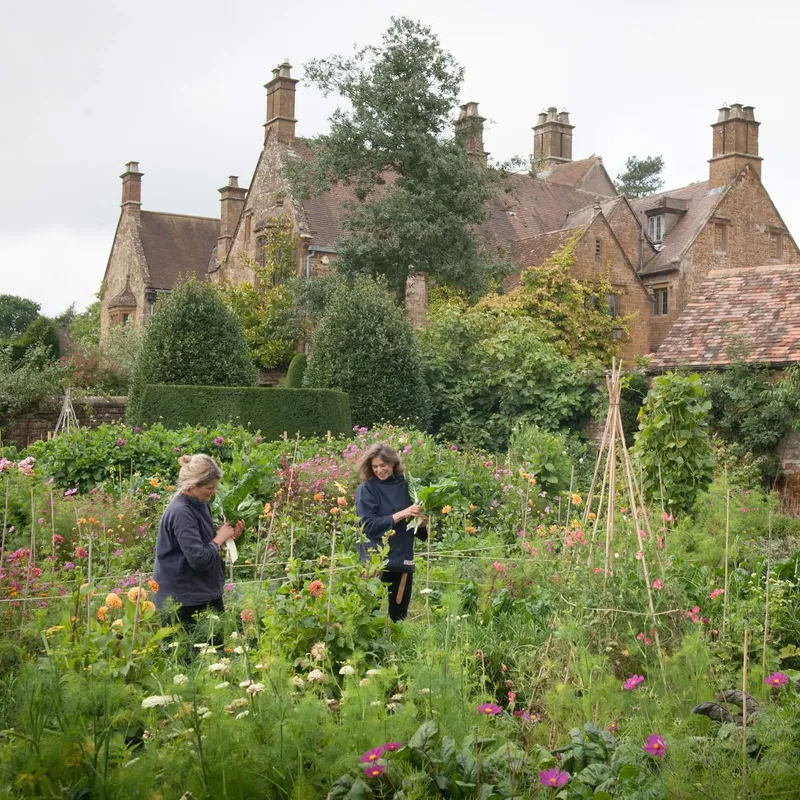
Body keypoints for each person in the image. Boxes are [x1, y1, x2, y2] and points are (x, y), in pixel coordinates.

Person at [153, 453, 243, 626]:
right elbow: (198, 558)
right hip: (183, 602)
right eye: (209, 488)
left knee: (215, 650)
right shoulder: (181, 512)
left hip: (201, 592)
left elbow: (202, 544)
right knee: (191, 651)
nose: (213, 491)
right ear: (193, 486)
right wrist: (219, 538)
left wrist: (226, 540)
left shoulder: (199, 503)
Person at [355, 442, 427, 622]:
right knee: (370, 613)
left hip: (402, 557)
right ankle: (376, 648)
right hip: (375, 559)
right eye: (375, 467)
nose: (380, 470)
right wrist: (402, 514)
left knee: (399, 616)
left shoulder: (407, 487)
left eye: (383, 465)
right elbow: (368, 525)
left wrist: (422, 523)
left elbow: (419, 532)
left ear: (393, 463)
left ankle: (396, 650)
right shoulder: (367, 490)